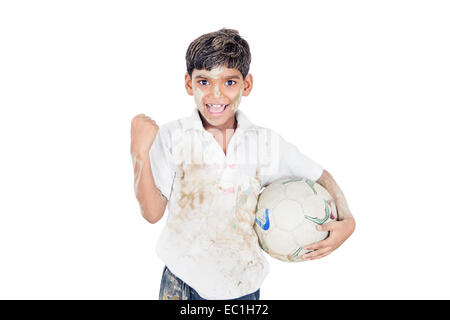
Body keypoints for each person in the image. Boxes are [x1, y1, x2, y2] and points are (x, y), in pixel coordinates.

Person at [130, 28, 355, 300]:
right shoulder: (171, 137)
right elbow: (152, 213)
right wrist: (139, 154)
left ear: (246, 85)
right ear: (189, 84)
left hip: (242, 283)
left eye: (229, 82)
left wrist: (348, 222)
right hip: (183, 281)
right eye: (204, 82)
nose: (216, 94)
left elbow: (321, 176)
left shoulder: (265, 143)